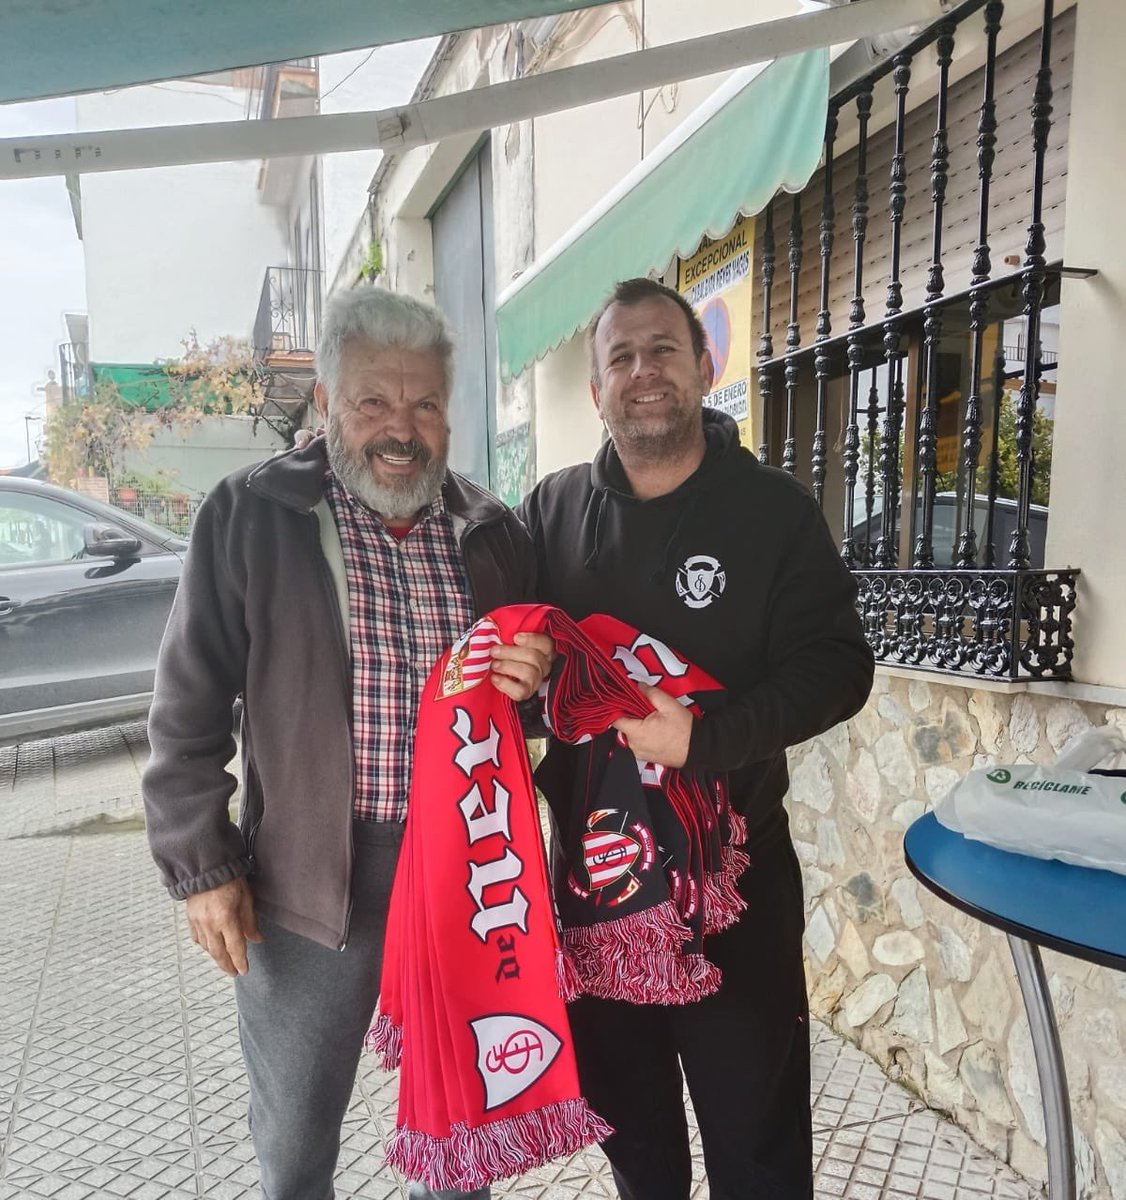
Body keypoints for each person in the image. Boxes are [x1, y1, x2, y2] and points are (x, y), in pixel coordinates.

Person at [142, 286, 554, 1200]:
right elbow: (187, 705)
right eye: (374, 401)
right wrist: (202, 864)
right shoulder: (253, 515)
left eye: (426, 404)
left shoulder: (490, 532)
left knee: (460, 1142)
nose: (400, 429)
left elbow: (529, 714)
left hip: (464, 876)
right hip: (308, 879)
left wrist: (537, 682)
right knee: (294, 1146)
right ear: (327, 402)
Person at [517, 277, 875, 1200]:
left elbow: (839, 667)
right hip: (599, 894)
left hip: (738, 899)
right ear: (595, 390)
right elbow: (513, 665)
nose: (644, 372)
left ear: (706, 365)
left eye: (663, 350)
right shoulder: (550, 515)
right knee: (638, 1154)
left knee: (757, 1153)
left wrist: (705, 738)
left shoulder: (772, 511)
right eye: (621, 358)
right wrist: (516, 693)